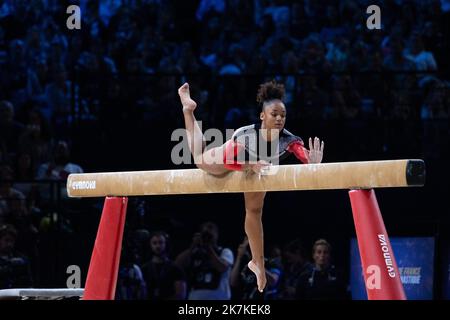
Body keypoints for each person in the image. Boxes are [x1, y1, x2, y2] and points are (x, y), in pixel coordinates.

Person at [178, 80, 324, 292]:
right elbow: (229, 161)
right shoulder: (246, 136)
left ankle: (258, 263)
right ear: (262, 116)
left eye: (283, 115)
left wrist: (313, 162)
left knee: (254, 210)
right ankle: (188, 110)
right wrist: (249, 164)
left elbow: (304, 156)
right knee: (199, 158)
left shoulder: (289, 140)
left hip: (255, 167)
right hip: (233, 159)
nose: (280, 118)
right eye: (274, 114)